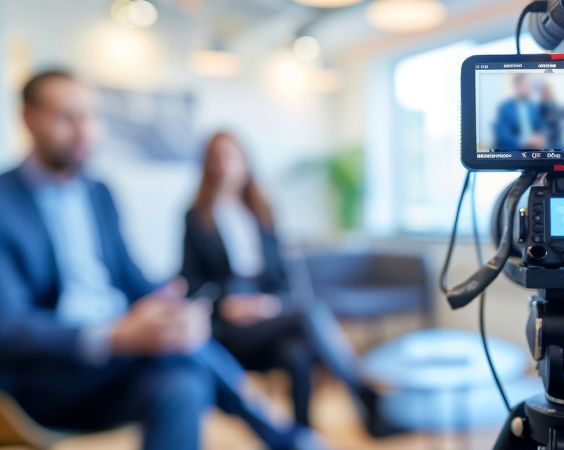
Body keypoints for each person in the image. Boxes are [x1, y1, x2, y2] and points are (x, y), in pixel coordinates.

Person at [0, 70, 324, 450]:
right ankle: (281, 435)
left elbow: (129, 276)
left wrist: (174, 300)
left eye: (91, 116)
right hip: (49, 374)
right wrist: (113, 335)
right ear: (28, 119)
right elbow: (9, 327)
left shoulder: (99, 193)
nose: (84, 131)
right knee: (184, 354)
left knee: (184, 382)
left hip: (118, 363)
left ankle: (283, 435)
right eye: (66, 118)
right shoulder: (6, 203)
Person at [180, 131, 397, 437]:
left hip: (269, 313)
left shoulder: (261, 213)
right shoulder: (195, 219)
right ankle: (365, 396)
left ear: (245, 162)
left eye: (231, 156)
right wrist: (224, 304)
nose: (224, 164)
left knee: (296, 352)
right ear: (207, 166)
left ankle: (301, 435)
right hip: (230, 324)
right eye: (217, 157)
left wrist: (272, 304)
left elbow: (281, 278)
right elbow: (190, 283)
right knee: (308, 314)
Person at [493, 73, 548, 150]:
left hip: (534, 150)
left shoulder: (533, 106)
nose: (529, 88)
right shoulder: (505, 107)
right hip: (514, 150)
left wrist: (541, 137)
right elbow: (504, 136)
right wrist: (525, 141)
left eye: (530, 86)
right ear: (517, 86)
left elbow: (541, 125)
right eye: (526, 85)